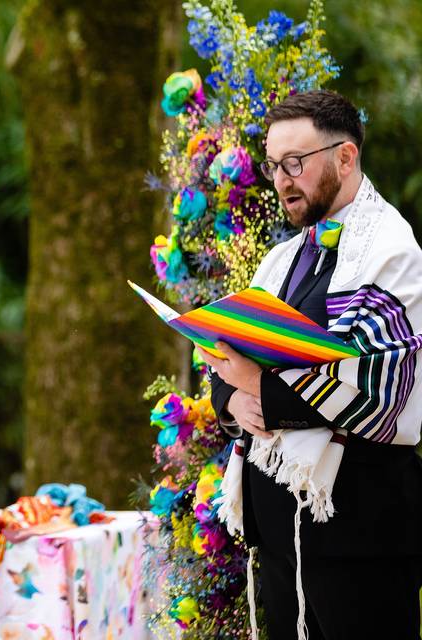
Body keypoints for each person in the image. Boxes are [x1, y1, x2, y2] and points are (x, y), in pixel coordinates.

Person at [203, 90, 422, 639]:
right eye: (274, 165)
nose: (281, 179)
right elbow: (229, 359)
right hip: (280, 542)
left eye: (295, 163)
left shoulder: (393, 252)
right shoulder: (283, 257)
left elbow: (377, 386)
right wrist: (232, 398)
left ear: (345, 157)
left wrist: (257, 386)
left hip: (357, 541)